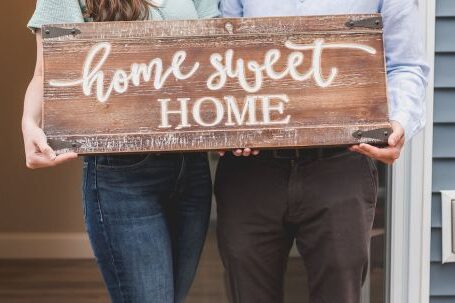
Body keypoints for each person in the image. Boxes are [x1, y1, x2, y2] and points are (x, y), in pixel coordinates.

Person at [216, 0, 429, 302]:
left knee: (339, 294)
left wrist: (399, 121)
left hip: (341, 163)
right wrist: (228, 123)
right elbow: (223, 56)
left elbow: (404, 65)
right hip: (253, 168)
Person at [23, 0, 219, 302]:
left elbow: (221, 52)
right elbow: (46, 70)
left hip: (191, 167)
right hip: (122, 175)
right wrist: (28, 122)